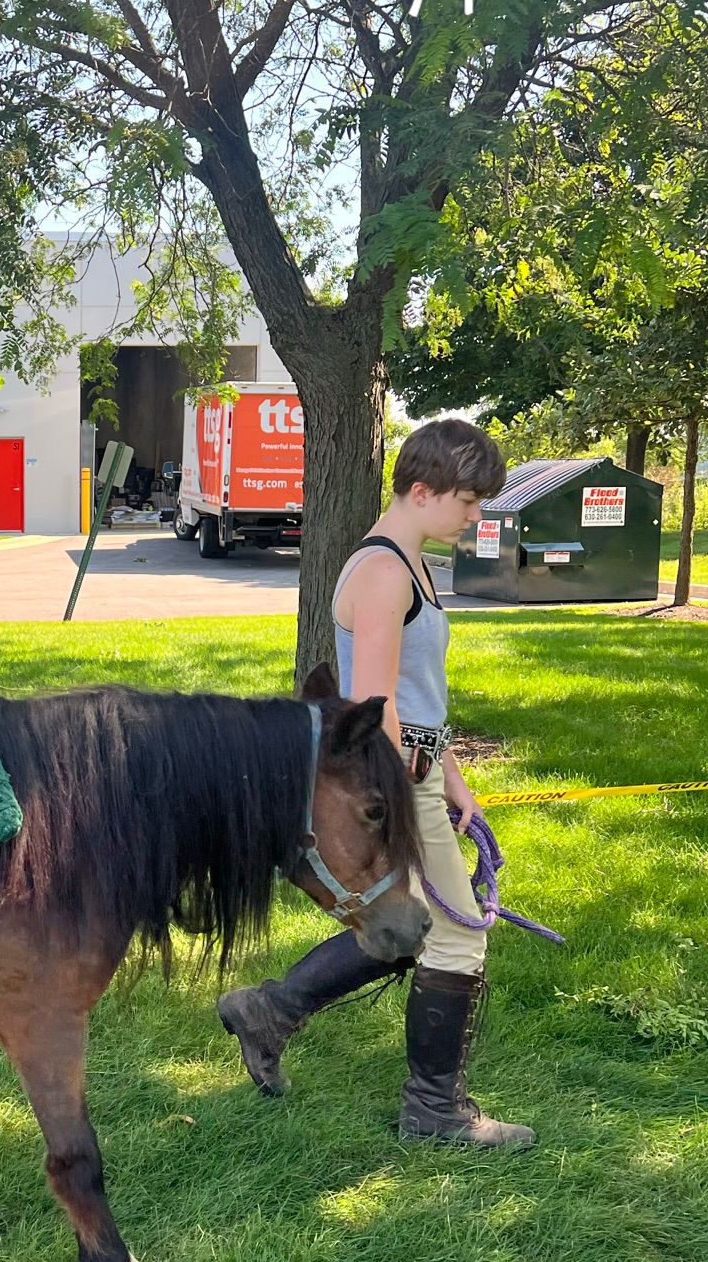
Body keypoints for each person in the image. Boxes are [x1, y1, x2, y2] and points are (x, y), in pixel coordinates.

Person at [219, 418, 534, 1146]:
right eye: (467, 500)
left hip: (418, 770)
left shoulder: (410, 563)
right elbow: (377, 703)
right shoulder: (385, 572)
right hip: (398, 778)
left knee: (411, 926)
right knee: (456, 940)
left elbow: (421, 696)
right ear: (421, 491)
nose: (475, 515)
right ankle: (434, 1113)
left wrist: (455, 779)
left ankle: (271, 1011)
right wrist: (404, 802)